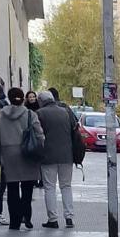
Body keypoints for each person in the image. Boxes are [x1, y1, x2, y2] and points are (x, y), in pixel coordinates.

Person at [0, 87, 44, 231]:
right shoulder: (30, 114)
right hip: (27, 154)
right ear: (23, 99)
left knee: (12, 189)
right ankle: (26, 216)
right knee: (27, 189)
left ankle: (14, 222)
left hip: (8, 155)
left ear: (9, 98)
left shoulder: (1, 116)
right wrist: (40, 148)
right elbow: (40, 134)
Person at [35, 90, 79, 229]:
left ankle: (53, 219)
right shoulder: (66, 111)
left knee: (49, 187)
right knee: (66, 186)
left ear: (41, 101)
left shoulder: (40, 113)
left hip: (48, 155)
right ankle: (69, 218)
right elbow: (75, 128)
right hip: (67, 155)